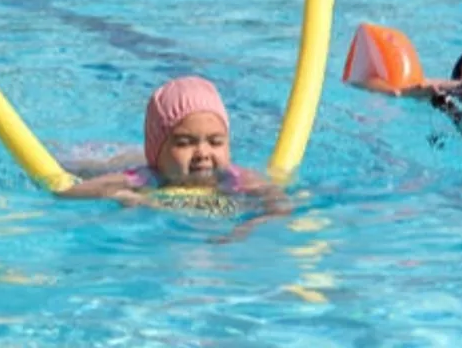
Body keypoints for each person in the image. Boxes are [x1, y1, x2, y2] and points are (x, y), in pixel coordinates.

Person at [59, 76, 291, 239]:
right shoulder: (148, 177)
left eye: (215, 142)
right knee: (82, 166)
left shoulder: (236, 179)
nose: (203, 153)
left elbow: (280, 205)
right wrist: (122, 195)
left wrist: (247, 228)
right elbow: (68, 191)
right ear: (157, 151)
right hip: (121, 161)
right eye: (184, 143)